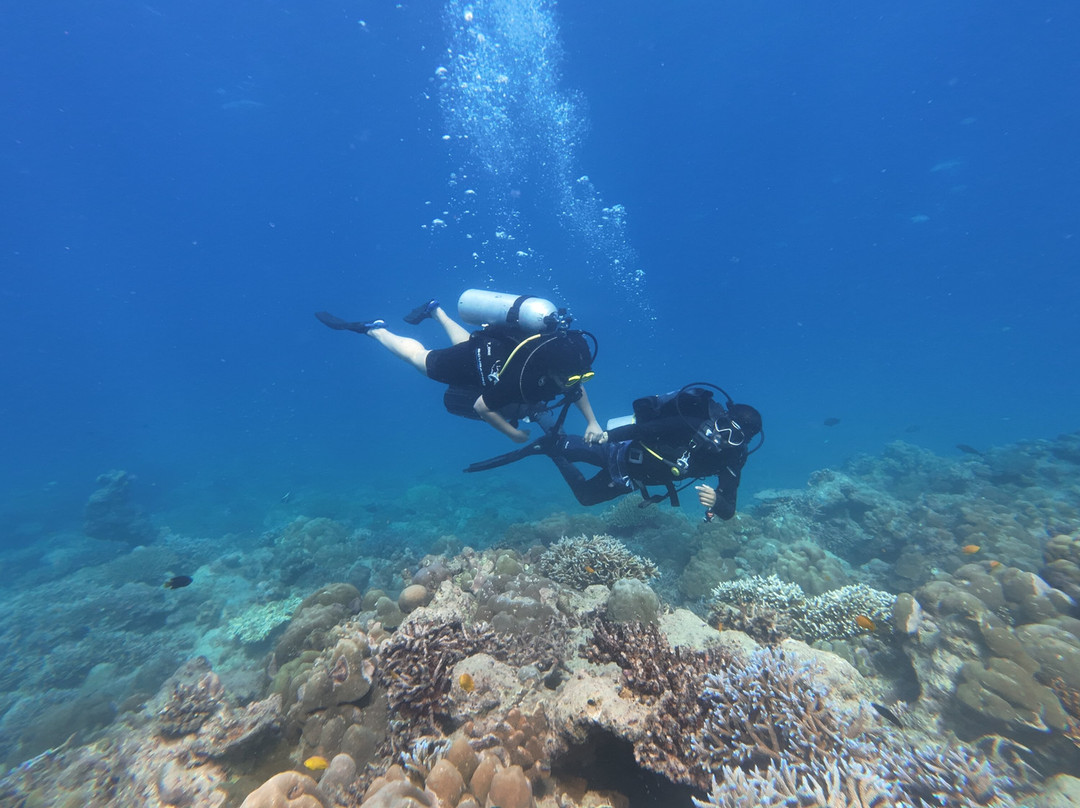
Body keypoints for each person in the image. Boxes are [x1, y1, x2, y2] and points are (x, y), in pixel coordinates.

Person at [315, 296, 605, 445]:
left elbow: (576, 386)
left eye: (582, 376)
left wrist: (592, 422)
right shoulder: (521, 380)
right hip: (479, 359)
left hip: (491, 346)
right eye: (569, 378)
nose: (573, 384)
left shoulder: (565, 362)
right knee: (419, 358)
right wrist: (511, 434)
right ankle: (375, 330)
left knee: (470, 344)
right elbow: (482, 407)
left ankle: (434, 310)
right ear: (551, 369)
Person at [468, 383, 762, 521]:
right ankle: (544, 422)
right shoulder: (693, 423)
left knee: (585, 497)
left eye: (734, 436)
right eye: (723, 425)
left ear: (744, 441)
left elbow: (729, 510)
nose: (722, 436)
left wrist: (718, 500)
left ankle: (550, 449)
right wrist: (606, 435)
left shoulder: (732, 458)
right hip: (618, 449)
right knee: (563, 444)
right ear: (719, 417)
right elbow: (643, 430)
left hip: (632, 480)